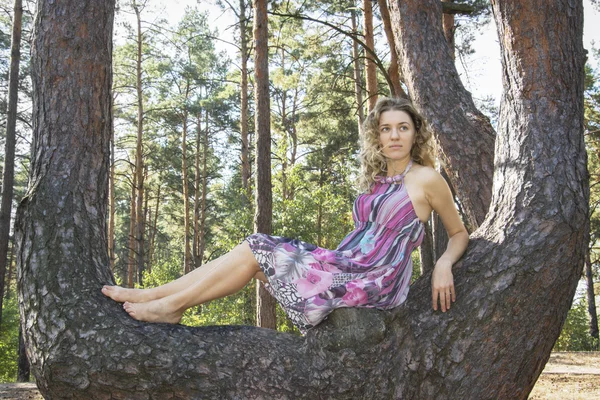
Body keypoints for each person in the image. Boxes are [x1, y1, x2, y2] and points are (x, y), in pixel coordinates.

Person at [102, 97, 469, 334]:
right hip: (347, 263)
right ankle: (154, 295)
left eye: (402, 128)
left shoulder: (427, 178)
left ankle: (170, 305)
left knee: (256, 247)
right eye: (386, 129)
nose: (394, 136)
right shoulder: (376, 179)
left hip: (376, 279)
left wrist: (443, 264)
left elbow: (458, 233)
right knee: (253, 255)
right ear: (376, 135)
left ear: (415, 133)